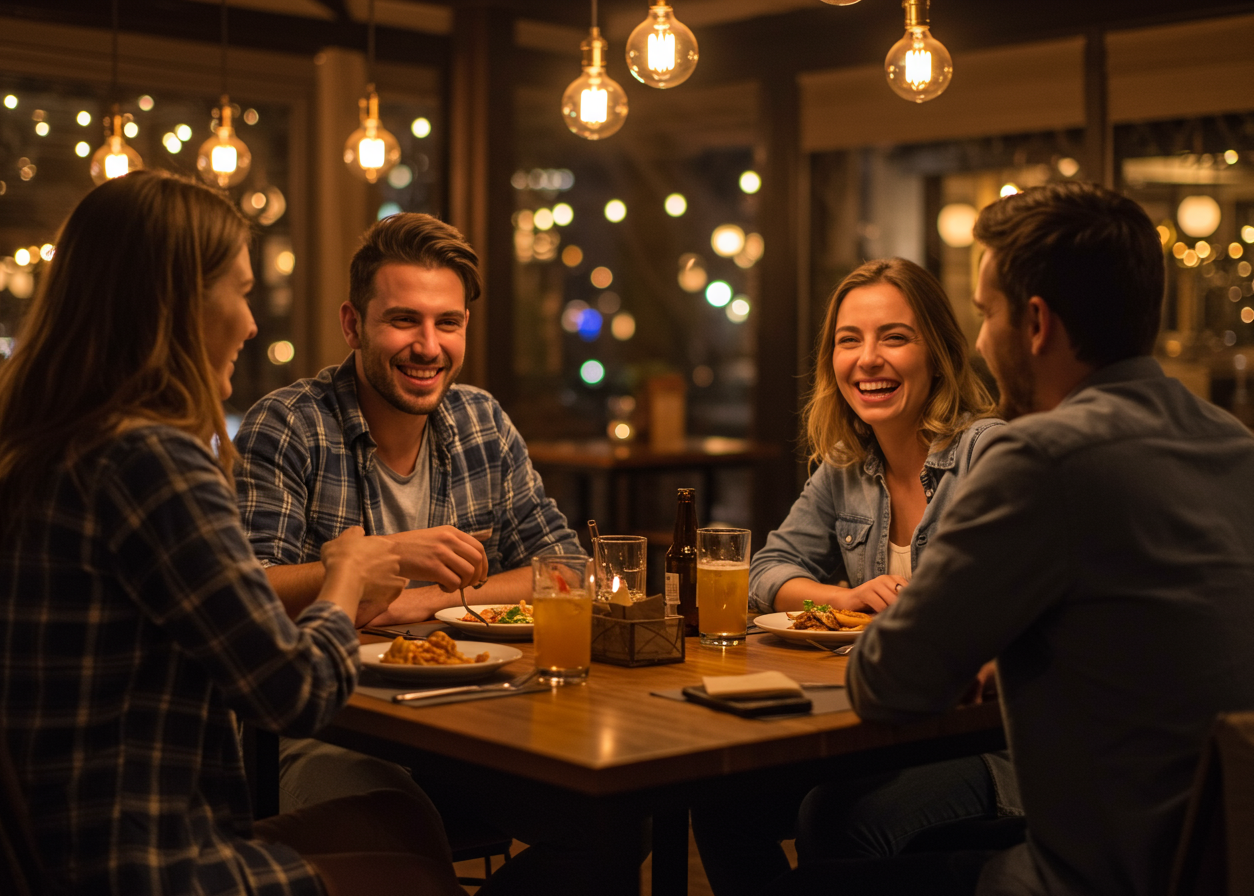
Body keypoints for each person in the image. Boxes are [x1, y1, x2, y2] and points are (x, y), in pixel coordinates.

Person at [0, 171, 463, 896]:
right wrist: (348, 573)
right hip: (142, 862)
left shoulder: (20, 448)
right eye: (239, 292)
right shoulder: (150, 460)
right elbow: (294, 694)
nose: (251, 322)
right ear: (177, 305)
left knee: (401, 820)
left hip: (47, 844)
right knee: (416, 877)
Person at [808, 182, 1254, 895]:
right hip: (1218, 858)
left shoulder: (1041, 457)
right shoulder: (1232, 443)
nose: (980, 341)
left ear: (1036, 323)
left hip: (1100, 874)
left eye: (986, 315)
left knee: (827, 857)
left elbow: (887, 683)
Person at [235, 214, 646, 896]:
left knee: (617, 824)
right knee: (405, 835)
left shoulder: (481, 420)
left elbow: (567, 568)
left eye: (447, 323)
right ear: (352, 324)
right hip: (329, 730)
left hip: (473, 720)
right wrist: (383, 558)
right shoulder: (289, 425)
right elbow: (249, 596)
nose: (429, 347)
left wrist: (428, 599)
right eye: (403, 321)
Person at [694, 257, 1018, 896]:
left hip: (994, 749)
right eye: (850, 340)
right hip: (880, 732)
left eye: (894, 337)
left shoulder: (989, 453)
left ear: (938, 353)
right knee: (721, 798)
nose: (868, 359)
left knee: (838, 818)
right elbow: (766, 571)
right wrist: (844, 596)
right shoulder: (846, 467)